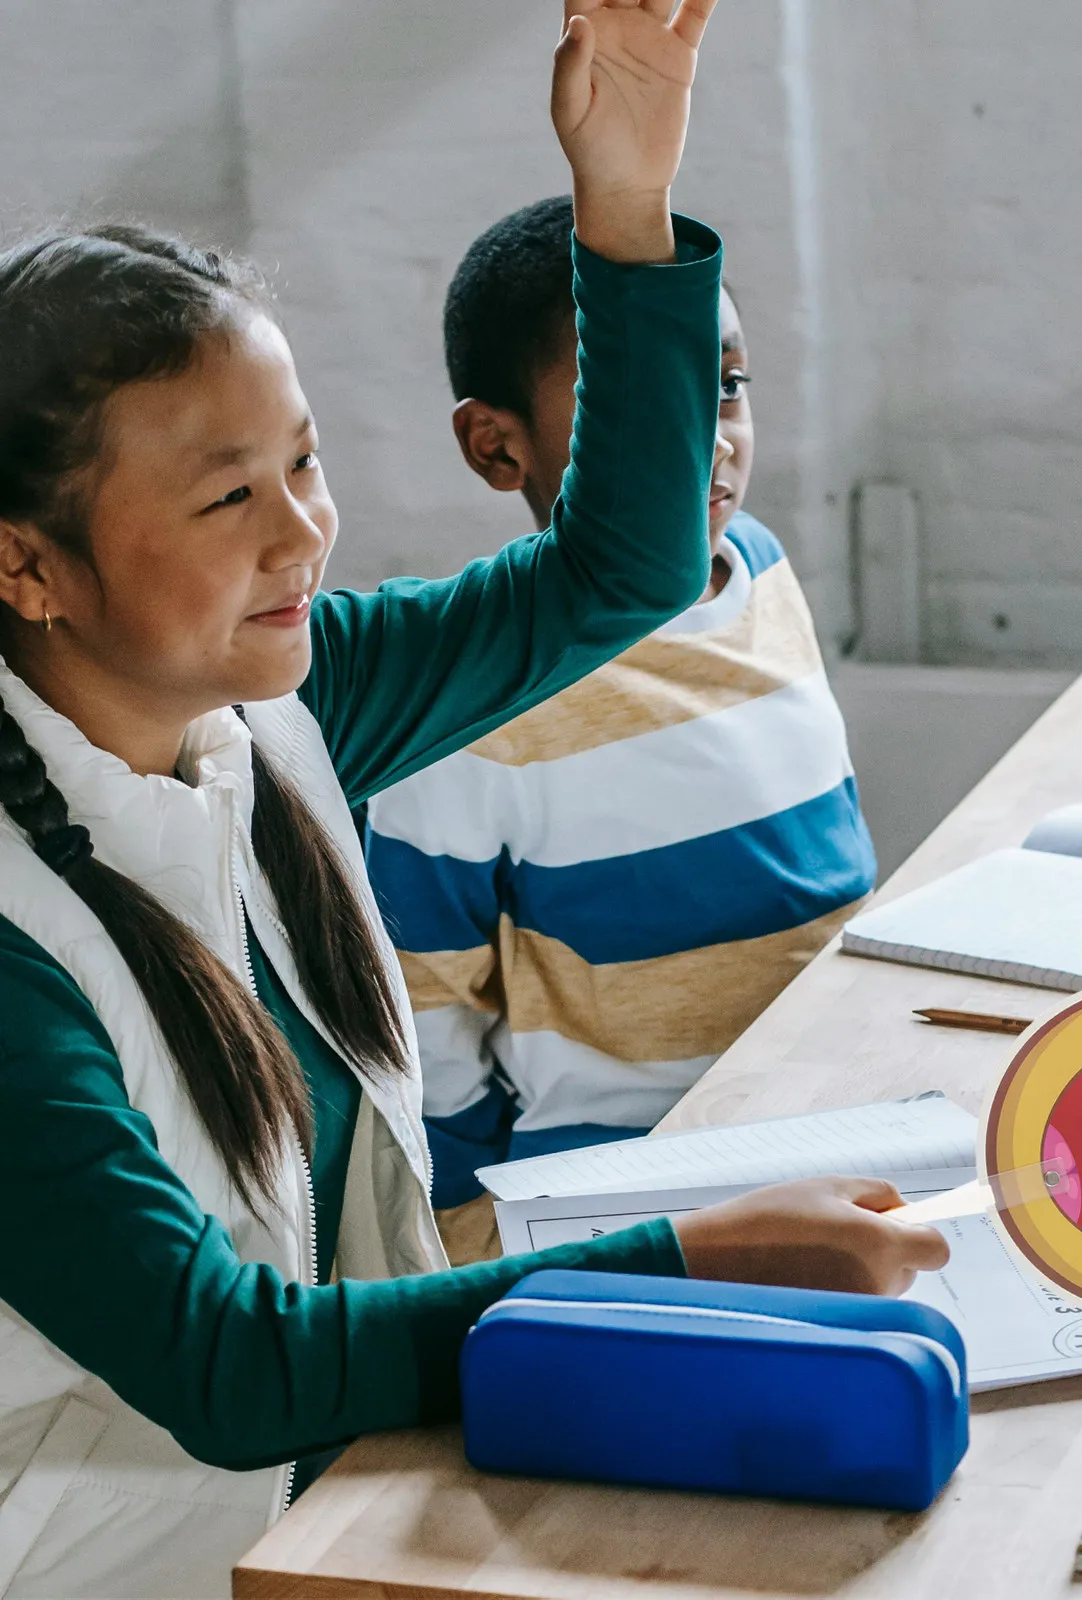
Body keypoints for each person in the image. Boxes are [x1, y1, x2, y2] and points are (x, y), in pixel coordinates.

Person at [0, 4, 946, 1595]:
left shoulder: (279, 709)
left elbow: (623, 572)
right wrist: (688, 1261)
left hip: (368, 1488)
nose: (304, 534)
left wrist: (624, 204)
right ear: (26, 565)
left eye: (304, 464)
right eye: (228, 496)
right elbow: (229, 1367)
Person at [365, 197, 876, 1258]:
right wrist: (477, 1232)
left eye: (724, 383)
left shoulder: (762, 566)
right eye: (631, 401)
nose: (708, 436)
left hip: (832, 1117)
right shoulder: (476, 696)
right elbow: (423, 1014)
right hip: (639, 1198)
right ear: (497, 446)